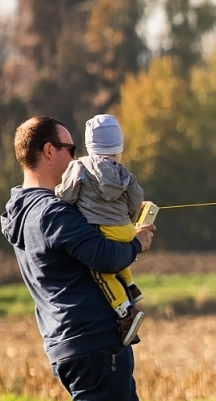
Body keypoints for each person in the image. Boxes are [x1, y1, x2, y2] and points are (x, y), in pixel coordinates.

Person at [1, 116, 176, 401]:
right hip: (91, 343)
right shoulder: (50, 212)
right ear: (46, 152)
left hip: (88, 342)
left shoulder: (27, 210)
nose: (76, 153)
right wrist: (137, 242)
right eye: (68, 145)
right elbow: (105, 255)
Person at [56, 113, 147, 346]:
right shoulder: (123, 172)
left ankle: (126, 312)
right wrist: (130, 218)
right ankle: (131, 286)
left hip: (101, 228)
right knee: (121, 251)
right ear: (119, 148)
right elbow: (136, 198)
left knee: (102, 273)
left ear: (89, 145)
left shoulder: (80, 166)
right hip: (126, 228)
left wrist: (58, 196)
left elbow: (67, 193)